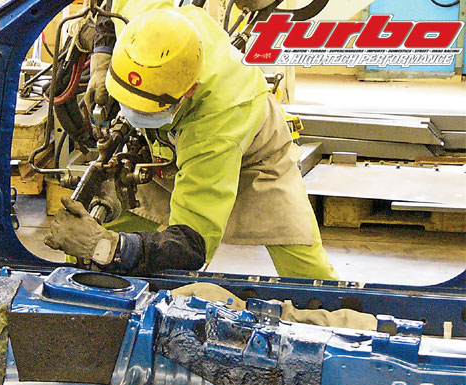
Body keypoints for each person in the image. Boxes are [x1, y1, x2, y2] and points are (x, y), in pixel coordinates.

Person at [45, 0, 338, 279]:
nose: (132, 113)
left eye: (144, 109)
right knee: (85, 236)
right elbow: (110, 11)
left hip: (255, 162)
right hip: (167, 150)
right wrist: (103, 53)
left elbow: (192, 244)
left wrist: (107, 246)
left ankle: (338, 310)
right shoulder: (145, 26)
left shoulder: (217, 122)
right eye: (127, 100)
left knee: (309, 274)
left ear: (188, 93)